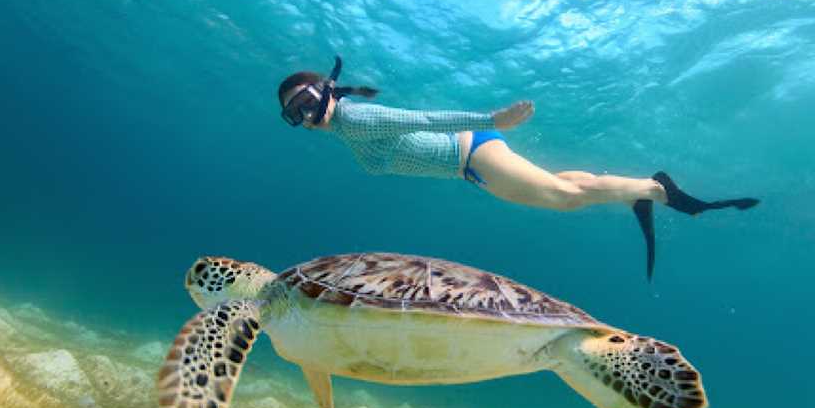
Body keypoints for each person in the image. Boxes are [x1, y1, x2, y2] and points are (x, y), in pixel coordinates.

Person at [279, 57, 759, 280]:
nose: (303, 117)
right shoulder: (346, 127)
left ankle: (656, 191)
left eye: (303, 102)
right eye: (292, 115)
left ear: (325, 90)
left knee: (563, 199)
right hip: (471, 161)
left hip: (470, 154)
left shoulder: (353, 118)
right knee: (566, 187)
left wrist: (494, 119)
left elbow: (422, 118)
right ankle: (642, 190)